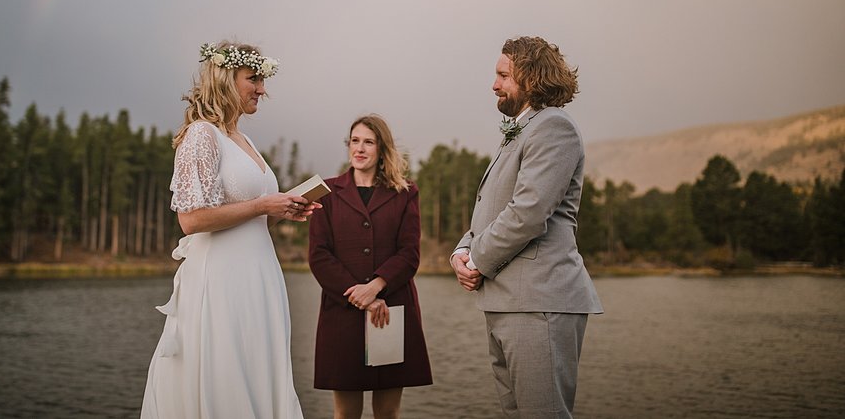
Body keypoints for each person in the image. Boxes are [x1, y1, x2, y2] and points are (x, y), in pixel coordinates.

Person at [141, 40, 319, 419]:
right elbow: (191, 218)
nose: (262, 89)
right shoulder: (201, 135)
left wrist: (282, 209)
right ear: (225, 79)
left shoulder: (246, 140)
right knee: (224, 372)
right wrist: (261, 205)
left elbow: (251, 213)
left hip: (259, 276)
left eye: (262, 79)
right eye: (252, 79)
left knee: (258, 369)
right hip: (221, 279)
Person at [450, 36, 603, 419]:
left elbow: (528, 213)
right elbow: (490, 208)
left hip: (540, 303)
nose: (494, 84)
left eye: (503, 75)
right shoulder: (520, 130)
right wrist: (460, 252)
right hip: (507, 301)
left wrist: (478, 261)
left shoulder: (554, 127)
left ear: (531, 79)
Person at [309, 114, 433, 419]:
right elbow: (319, 256)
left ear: (382, 149)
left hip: (390, 311)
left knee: (388, 412)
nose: (360, 148)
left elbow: (409, 253)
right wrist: (361, 297)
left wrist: (376, 287)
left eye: (368, 141)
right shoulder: (326, 191)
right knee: (346, 413)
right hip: (343, 314)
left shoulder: (405, 193)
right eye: (355, 141)